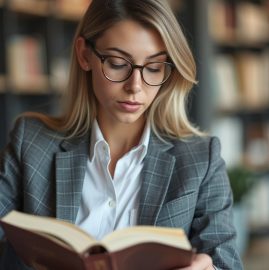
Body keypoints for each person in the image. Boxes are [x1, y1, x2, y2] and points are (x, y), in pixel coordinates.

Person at [0, 0, 243, 269]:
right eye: (117, 63)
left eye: (153, 68)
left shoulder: (200, 157)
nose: (135, 87)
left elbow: (225, 260)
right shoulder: (32, 143)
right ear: (84, 55)